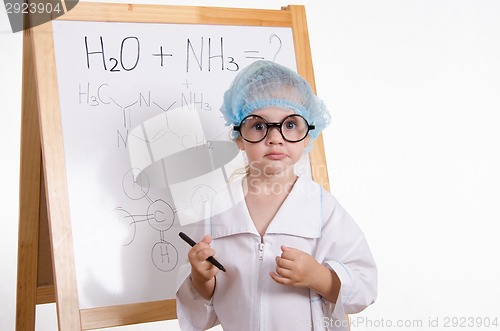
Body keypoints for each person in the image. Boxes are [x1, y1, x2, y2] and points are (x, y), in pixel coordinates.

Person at [176, 60, 377, 330]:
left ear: (308, 135)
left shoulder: (322, 208)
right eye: (259, 126)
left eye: (290, 125)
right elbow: (203, 309)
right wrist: (201, 279)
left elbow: (365, 286)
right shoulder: (217, 209)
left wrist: (319, 277)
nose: (275, 138)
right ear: (239, 136)